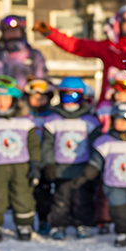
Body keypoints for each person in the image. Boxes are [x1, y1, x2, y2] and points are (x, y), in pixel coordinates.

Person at [0, 83, 42, 241]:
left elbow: (33, 146)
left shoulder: (26, 123)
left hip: (21, 166)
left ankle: (24, 223)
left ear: (15, 101)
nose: (1, 103)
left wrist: (36, 165)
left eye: (5, 99)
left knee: (23, 195)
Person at [38, 79, 102, 239]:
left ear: (81, 98)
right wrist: (48, 164)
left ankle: (82, 224)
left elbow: (97, 146)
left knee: (82, 198)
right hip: (60, 168)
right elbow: (47, 145)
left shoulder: (89, 121)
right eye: (65, 97)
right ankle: (58, 225)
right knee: (60, 199)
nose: (69, 102)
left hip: (82, 167)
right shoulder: (53, 120)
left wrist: (92, 167)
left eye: (74, 97)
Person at [85, 102, 126, 246]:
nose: (123, 124)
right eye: (119, 120)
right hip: (113, 184)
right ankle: (122, 232)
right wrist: (87, 174)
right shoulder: (105, 142)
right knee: (118, 211)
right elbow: (96, 161)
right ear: (112, 121)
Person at [0, 15, 46, 82]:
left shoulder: (33, 55)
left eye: (15, 29)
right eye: (7, 29)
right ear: (3, 32)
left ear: (21, 31)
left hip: (26, 91)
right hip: (0, 91)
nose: (11, 32)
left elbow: (41, 80)